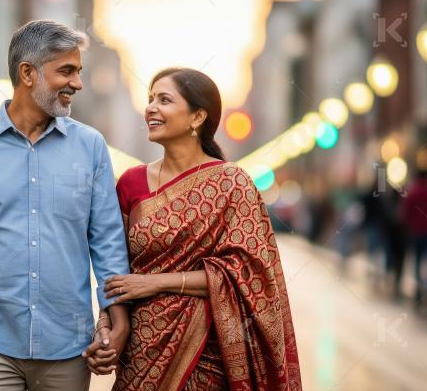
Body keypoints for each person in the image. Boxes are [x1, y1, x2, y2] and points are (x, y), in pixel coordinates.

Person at [0, 20, 130, 391]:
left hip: (68, 347)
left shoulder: (91, 147)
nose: (77, 84)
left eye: (79, 72)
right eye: (66, 71)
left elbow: (108, 246)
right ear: (27, 73)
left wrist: (116, 321)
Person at [86, 68, 301, 390]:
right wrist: (107, 326)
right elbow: (115, 267)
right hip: (143, 350)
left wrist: (155, 284)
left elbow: (250, 275)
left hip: (211, 352)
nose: (151, 108)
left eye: (164, 100)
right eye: (150, 99)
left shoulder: (232, 183)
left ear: (197, 116)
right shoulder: (131, 182)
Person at [400, 168, 427, 305]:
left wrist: (409, 226)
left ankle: (418, 287)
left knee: (418, 261)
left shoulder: (413, 192)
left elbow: (405, 212)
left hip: (416, 232)